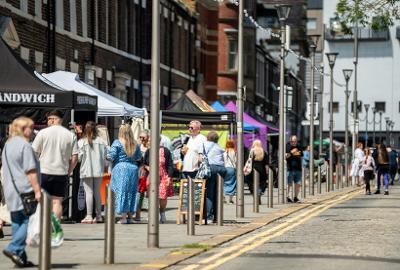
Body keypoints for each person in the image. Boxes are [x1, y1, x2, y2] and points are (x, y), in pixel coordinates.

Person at [1, 117, 41, 267]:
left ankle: (21, 258)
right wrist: (37, 190)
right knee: (27, 222)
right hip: (25, 190)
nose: (32, 131)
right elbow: (30, 171)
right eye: (30, 128)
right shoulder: (24, 146)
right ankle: (13, 248)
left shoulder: (8, 145)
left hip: (11, 190)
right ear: (23, 129)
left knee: (17, 222)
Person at [32, 110, 78, 220]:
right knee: (57, 202)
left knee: (42, 200)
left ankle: (43, 227)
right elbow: (75, 158)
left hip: (44, 171)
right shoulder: (70, 135)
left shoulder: (42, 133)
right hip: (61, 172)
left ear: (52, 119)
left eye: (48, 119)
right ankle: (55, 229)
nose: (47, 122)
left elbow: (33, 153)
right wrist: (68, 171)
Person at [107, 124, 141, 224]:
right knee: (131, 192)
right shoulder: (135, 143)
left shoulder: (117, 143)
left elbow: (111, 156)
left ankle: (123, 218)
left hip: (120, 168)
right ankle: (130, 217)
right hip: (133, 169)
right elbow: (138, 158)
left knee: (121, 192)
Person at [78, 121, 108, 224]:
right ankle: (99, 215)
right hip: (98, 170)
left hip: (87, 170)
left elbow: (79, 158)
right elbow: (106, 156)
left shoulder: (82, 142)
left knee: (89, 192)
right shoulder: (101, 141)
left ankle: (89, 215)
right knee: (97, 192)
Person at [143, 139, 174, 223]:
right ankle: (152, 214)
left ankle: (162, 212)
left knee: (163, 196)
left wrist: (169, 176)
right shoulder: (149, 151)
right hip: (152, 176)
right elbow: (144, 163)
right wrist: (147, 167)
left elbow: (170, 164)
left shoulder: (166, 151)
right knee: (152, 196)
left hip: (163, 176)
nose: (149, 141)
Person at [203, 131, 226, 222]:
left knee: (209, 193)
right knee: (218, 193)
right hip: (221, 169)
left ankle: (209, 216)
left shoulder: (204, 144)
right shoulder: (219, 147)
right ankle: (217, 216)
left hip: (211, 168)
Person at [135, 130, 150, 222]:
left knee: (149, 194)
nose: (142, 139)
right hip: (140, 173)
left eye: (143, 137)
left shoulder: (151, 148)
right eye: (140, 137)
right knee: (139, 194)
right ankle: (137, 215)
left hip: (149, 173)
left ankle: (150, 214)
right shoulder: (138, 147)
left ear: (148, 137)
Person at [285, 135, 303, 203]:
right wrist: (292, 152)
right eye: (292, 141)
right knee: (289, 183)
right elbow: (286, 156)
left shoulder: (299, 145)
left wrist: (292, 153)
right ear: (290, 141)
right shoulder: (287, 146)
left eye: (295, 141)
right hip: (290, 167)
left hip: (298, 168)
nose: (294, 142)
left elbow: (301, 154)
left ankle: (295, 197)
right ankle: (287, 196)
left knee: (298, 184)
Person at [223, 139, 236, 204]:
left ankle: (224, 197)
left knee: (224, 183)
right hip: (232, 168)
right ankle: (230, 199)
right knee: (232, 183)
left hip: (225, 168)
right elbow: (236, 161)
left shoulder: (224, 151)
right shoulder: (234, 152)